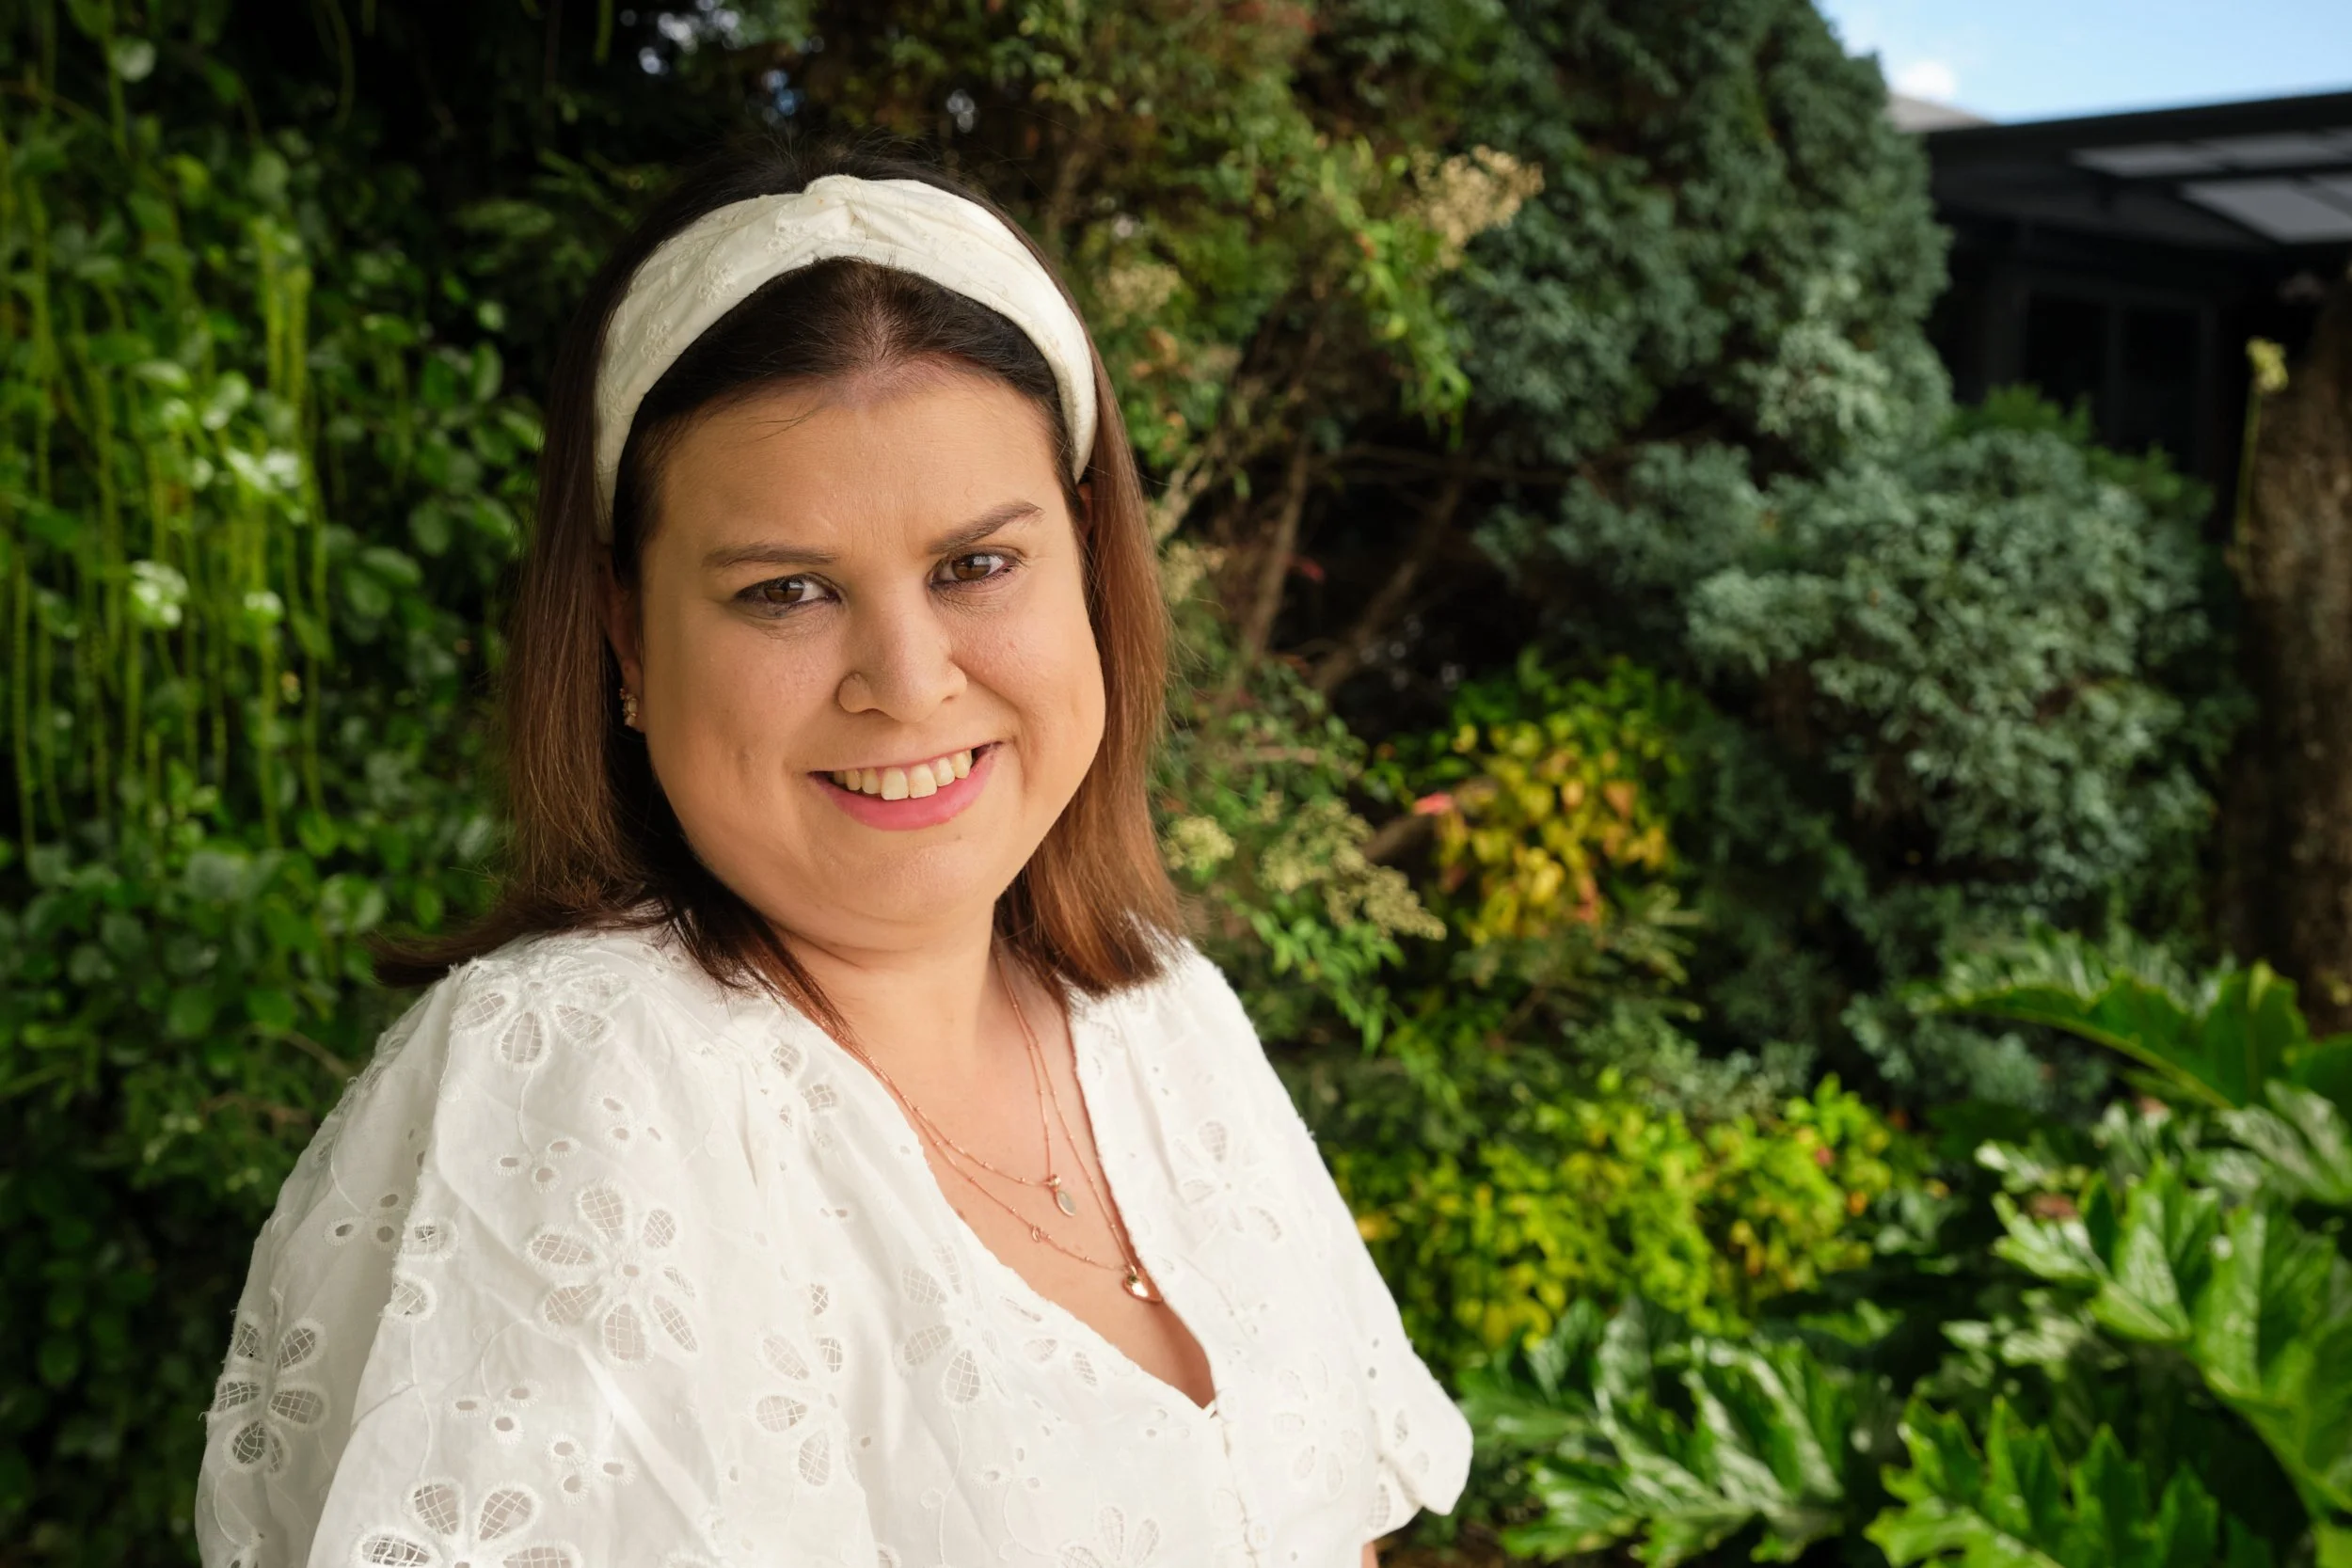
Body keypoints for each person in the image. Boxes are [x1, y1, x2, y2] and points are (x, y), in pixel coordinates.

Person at [191, 135, 1471, 1568]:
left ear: (1088, 555)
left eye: (975, 565)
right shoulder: (586, 1073)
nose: (909, 679)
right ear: (626, 635)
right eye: (786, 591)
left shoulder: (1168, 1018)